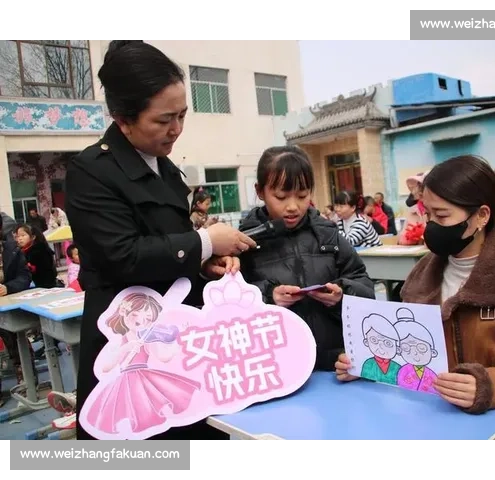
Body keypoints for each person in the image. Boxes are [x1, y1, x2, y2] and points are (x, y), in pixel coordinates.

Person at [64, 40, 255, 440]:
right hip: (126, 340)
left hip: (178, 336)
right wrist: (205, 242)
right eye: (165, 119)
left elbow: (167, 245)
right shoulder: (91, 172)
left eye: (182, 115)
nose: (176, 129)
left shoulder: (165, 168)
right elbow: (124, 256)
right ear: (123, 120)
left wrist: (204, 264)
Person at [335, 155, 495, 434]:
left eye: (441, 216)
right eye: (427, 214)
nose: (430, 225)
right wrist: (368, 365)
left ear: (482, 215)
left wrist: (493, 385)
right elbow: (410, 355)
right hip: (435, 421)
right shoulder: (421, 276)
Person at [237, 146, 376, 371]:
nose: (293, 207)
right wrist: (268, 296)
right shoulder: (245, 242)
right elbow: (229, 306)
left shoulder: (328, 234)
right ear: (260, 191)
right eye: (281, 197)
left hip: (334, 364)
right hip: (277, 368)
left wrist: (342, 295)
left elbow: (365, 287)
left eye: (302, 196)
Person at [0, 214, 33, 405]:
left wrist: (8, 288)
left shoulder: (12, 250)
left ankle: (28, 381)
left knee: (17, 340)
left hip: (9, 306)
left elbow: (24, 276)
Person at [15, 224, 59, 288]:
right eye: (18, 236)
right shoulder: (20, 251)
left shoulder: (41, 251)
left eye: (23, 235)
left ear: (33, 237)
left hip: (45, 286)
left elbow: (45, 271)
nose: (20, 238)